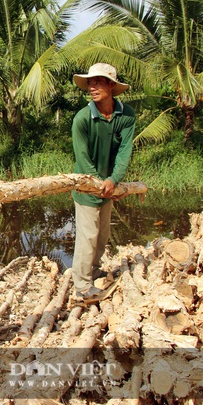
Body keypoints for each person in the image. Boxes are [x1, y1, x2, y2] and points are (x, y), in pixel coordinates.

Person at [70, 63, 135, 301]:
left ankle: (94, 269)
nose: (92, 87)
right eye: (90, 83)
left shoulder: (126, 115)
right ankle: (83, 287)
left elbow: (125, 150)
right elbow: (83, 157)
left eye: (98, 82)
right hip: (88, 187)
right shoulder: (83, 118)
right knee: (87, 237)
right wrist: (98, 185)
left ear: (111, 85)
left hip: (110, 185)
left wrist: (114, 179)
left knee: (102, 235)